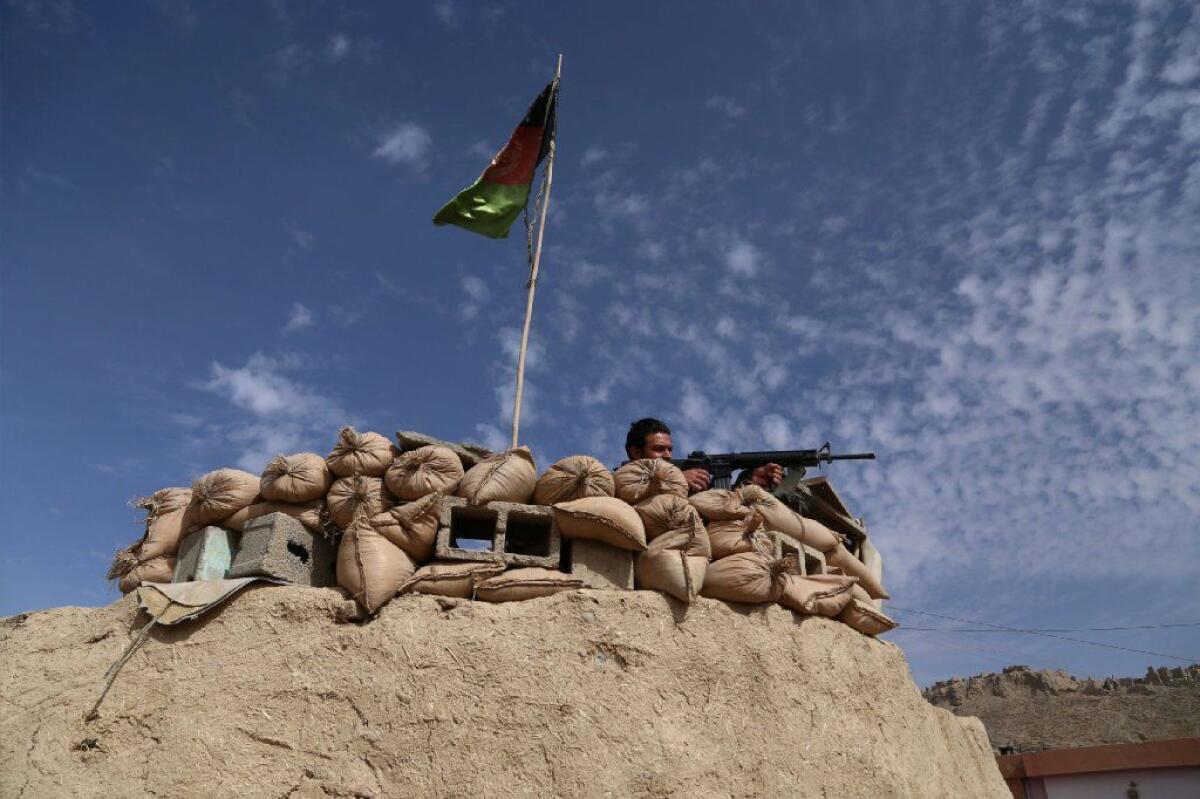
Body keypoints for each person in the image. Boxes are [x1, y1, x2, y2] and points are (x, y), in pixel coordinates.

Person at [623, 417, 784, 494]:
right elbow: (629, 492)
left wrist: (750, 480)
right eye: (659, 449)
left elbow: (718, 502)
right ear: (636, 452)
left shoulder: (682, 481)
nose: (667, 455)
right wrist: (678, 479)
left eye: (670, 449)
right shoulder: (623, 478)